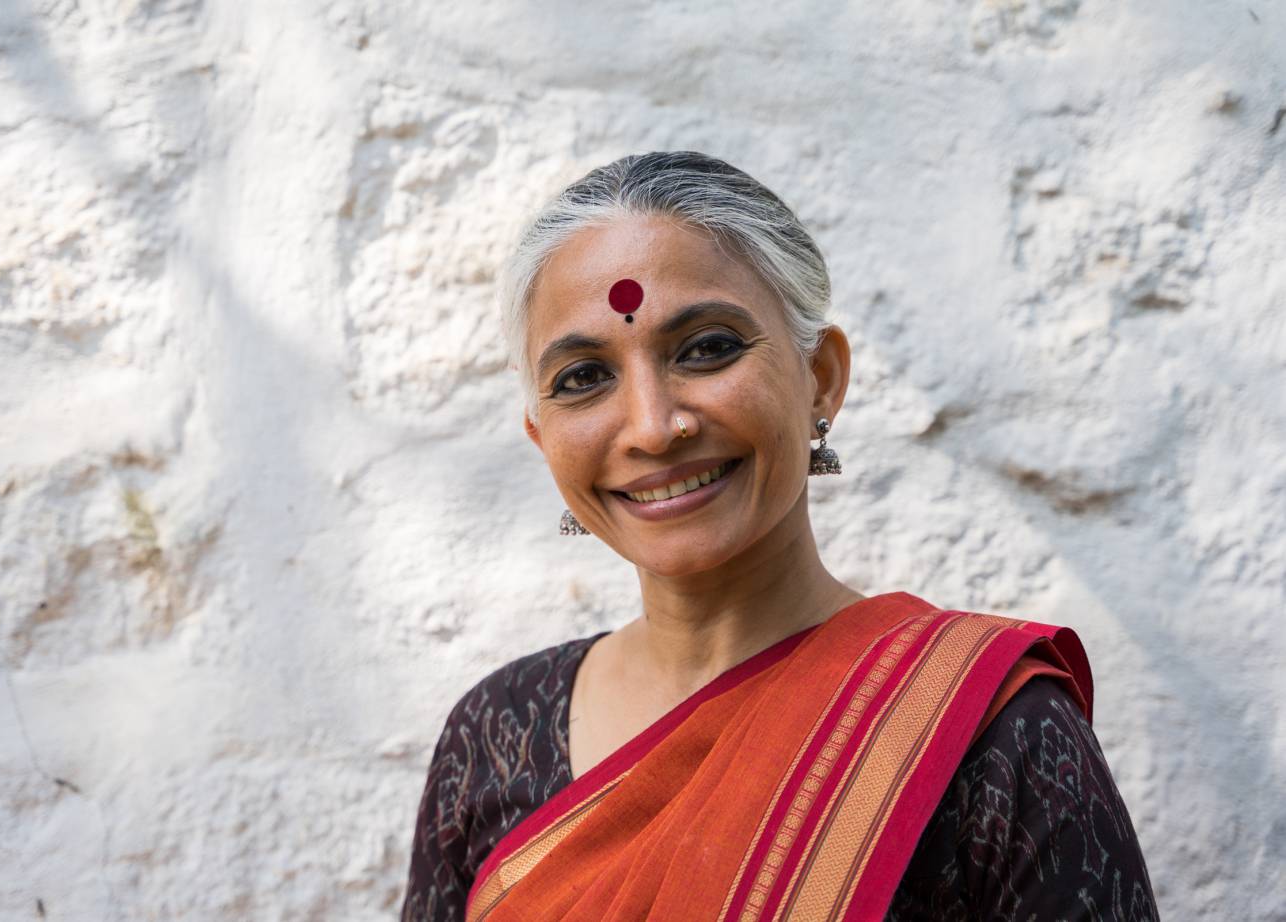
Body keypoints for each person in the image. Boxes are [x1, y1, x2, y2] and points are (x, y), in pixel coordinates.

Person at [401, 151, 1158, 921]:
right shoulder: (494, 737)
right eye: (584, 378)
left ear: (821, 377)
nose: (653, 428)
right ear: (543, 437)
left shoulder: (994, 734)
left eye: (707, 348)